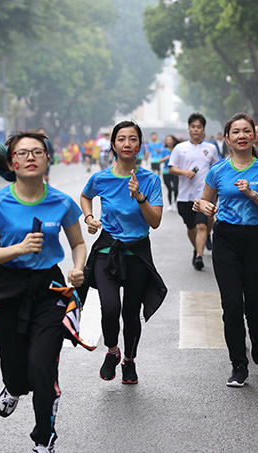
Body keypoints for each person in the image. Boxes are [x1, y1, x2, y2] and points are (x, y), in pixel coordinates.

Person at [0, 132, 86, 453]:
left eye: (37, 152)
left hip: (49, 289)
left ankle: (44, 437)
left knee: (42, 367)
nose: (30, 157)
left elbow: (78, 243)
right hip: (9, 287)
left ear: (47, 159)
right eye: (22, 153)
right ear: (12, 162)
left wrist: (78, 268)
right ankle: (12, 386)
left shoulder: (61, 202)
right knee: (15, 367)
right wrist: (19, 248)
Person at [193, 113, 258, 387]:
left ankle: (257, 335)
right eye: (236, 132)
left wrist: (253, 194)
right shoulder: (218, 170)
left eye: (247, 131)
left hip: (257, 238)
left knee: (255, 305)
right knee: (231, 304)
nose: (242, 135)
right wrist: (204, 207)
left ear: (254, 137)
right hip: (226, 240)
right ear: (227, 138)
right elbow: (203, 203)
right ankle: (238, 364)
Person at [80, 120, 166, 385]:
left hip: (137, 252)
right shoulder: (101, 178)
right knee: (109, 307)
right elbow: (85, 196)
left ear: (139, 146)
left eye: (132, 139)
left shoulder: (150, 180)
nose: (127, 144)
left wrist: (140, 197)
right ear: (114, 145)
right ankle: (112, 351)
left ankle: (129, 360)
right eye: (121, 139)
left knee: (130, 313)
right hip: (108, 249)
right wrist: (89, 217)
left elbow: (155, 221)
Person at [168, 113, 220, 270]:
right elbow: (171, 168)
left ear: (203, 130)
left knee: (202, 226)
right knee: (191, 228)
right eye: (193, 127)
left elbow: (217, 168)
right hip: (185, 196)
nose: (196, 130)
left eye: (199, 127)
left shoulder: (211, 148)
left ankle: (199, 256)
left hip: (204, 195)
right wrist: (184, 173)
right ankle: (197, 247)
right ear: (189, 129)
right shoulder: (180, 148)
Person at [161, 135, 178, 212]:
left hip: (175, 171)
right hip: (166, 172)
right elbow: (159, 161)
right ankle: (170, 204)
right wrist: (166, 158)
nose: (169, 141)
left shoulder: (176, 150)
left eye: (170, 140)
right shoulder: (164, 150)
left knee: (175, 188)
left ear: (173, 141)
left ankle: (175, 201)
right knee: (170, 189)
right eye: (167, 140)